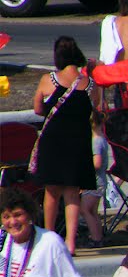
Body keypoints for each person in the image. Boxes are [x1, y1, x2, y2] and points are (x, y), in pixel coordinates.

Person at [31, 35, 99, 256]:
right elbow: (95, 108)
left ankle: (49, 239)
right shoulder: (89, 85)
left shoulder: (48, 80)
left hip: (53, 141)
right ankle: (70, 243)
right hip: (78, 141)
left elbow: (38, 109)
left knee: (51, 192)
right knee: (72, 193)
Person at [82, 110, 112, 249]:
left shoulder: (96, 142)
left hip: (94, 182)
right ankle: (98, 236)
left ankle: (96, 238)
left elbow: (97, 163)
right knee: (93, 211)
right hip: (99, 182)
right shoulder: (102, 139)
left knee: (85, 209)